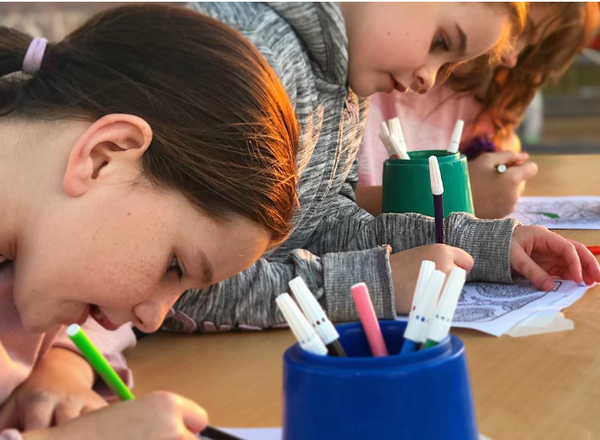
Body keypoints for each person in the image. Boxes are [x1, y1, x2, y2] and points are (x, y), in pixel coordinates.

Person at [165, 2, 599, 338]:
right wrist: (376, 283)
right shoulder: (248, 53)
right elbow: (179, 281)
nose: (431, 79)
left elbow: (323, 224)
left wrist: (479, 243)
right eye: (442, 41)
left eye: (449, 63)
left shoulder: (346, 79)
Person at [0, 4, 299, 439]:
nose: (151, 320)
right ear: (105, 156)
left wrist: (62, 363)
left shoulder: (39, 256)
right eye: (173, 267)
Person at [356, 2, 600, 218]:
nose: (510, 56)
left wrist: (495, 172)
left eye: (531, 46)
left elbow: (497, 155)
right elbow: (325, 210)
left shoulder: (474, 97)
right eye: (518, 30)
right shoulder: (364, 73)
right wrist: (459, 196)